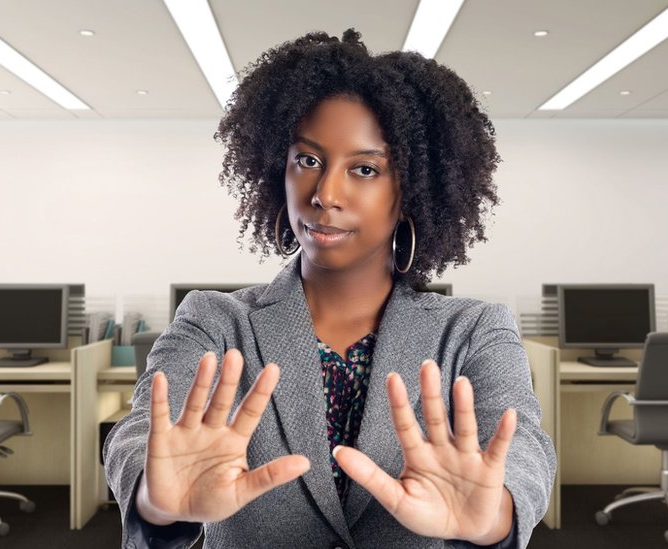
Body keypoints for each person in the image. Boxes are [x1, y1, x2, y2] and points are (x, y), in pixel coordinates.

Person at [104, 29, 556, 549]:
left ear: (412, 190)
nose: (325, 194)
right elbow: (142, 432)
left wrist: (495, 514)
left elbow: (523, 448)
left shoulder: (474, 330)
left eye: (364, 169)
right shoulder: (213, 319)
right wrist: (156, 503)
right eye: (308, 160)